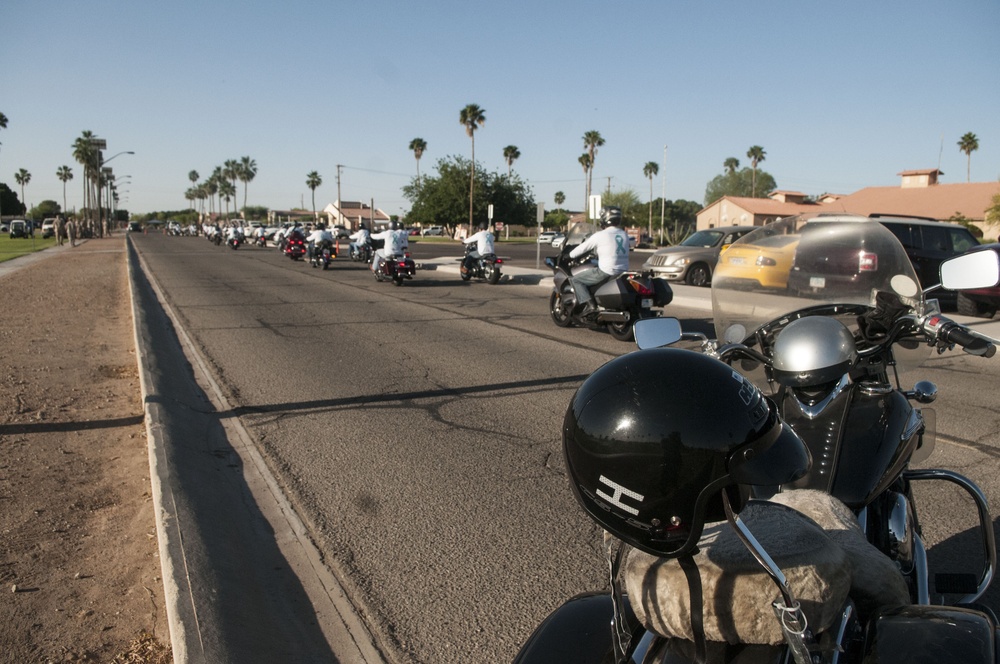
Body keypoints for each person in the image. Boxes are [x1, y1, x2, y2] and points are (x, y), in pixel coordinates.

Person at [568, 206, 631, 316]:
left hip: (606, 271)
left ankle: (590, 306)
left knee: (575, 280)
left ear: (604, 219)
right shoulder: (624, 234)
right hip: (623, 271)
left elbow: (582, 248)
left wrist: (570, 255)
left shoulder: (600, 235)